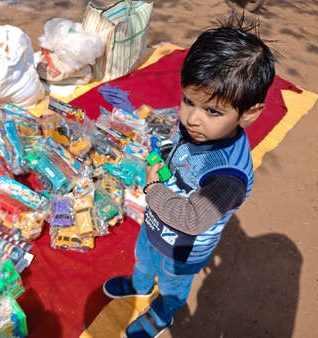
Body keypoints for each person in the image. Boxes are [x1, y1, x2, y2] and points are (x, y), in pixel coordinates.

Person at [102, 14, 276, 338]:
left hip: (182, 248)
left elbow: (193, 218)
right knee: (143, 258)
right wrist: (163, 154)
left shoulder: (228, 176)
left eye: (213, 111)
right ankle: (139, 285)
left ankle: (162, 313)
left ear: (249, 113)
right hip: (156, 223)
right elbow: (178, 149)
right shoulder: (197, 129)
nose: (193, 118)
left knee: (172, 284)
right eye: (188, 101)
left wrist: (153, 185)